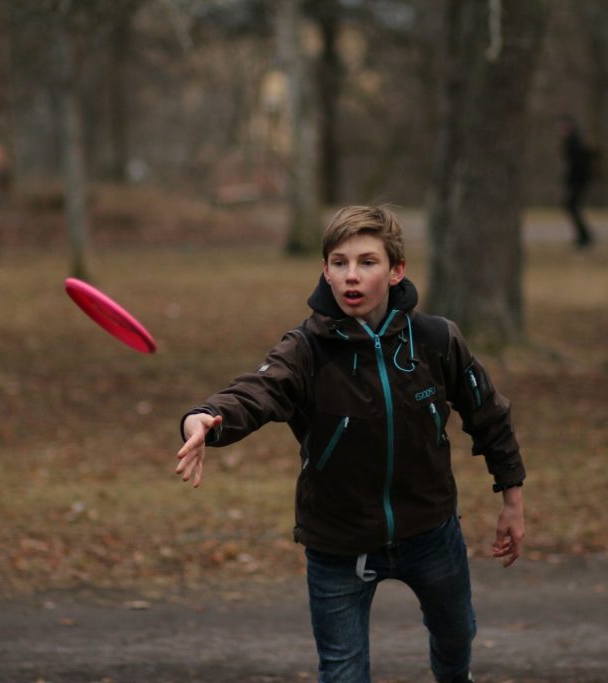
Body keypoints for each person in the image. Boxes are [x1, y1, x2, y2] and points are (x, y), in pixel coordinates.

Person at [176, 205, 526, 683]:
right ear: (325, 270)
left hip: (430, 530)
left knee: (457, 636)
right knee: (341, 673)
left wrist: (512, 496)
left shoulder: (435, 340)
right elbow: (257, 391)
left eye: (367, 262)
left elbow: (489, 413)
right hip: (338, 542)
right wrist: (205, 419)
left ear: (396, 270)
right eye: (339, 263)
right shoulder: (306, 348)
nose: (351, 276)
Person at [557, 115, 595, 249]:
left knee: (572, 207)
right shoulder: (571, 142)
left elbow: (577, 165)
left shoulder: (573, 142)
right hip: (578, 181)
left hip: (579, 181)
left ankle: (584, 236)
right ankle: (583, 236)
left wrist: (572, 180)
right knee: (572, 207)